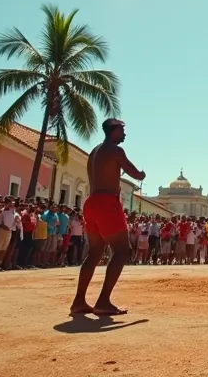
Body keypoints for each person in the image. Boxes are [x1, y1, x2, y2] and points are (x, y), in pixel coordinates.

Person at [72, 118, 145, 316]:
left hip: (91, 202)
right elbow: (134, 173)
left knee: (95, 252)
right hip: (107, 204)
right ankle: (103, 301)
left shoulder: (94, 151)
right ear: (113, 131)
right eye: (122, 130)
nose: (124, 134)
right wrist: (142, 175)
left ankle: (79, 301)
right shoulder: (115, 150)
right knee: (122, 251)